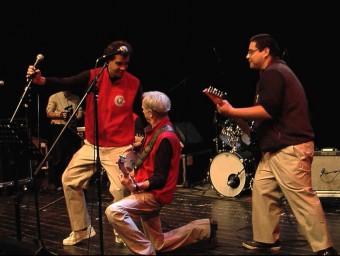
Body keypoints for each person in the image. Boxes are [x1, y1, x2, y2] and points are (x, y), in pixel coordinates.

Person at [215, 34, 337, 255]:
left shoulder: (274, 73)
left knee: (302, 198)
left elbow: (268, 111)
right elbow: (264, 119)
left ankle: (325, 249)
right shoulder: (272, 73)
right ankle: (267, 240)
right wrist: (233, 115)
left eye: (251, 51)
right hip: (275, 151)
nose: (247, 56)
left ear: (266, 51)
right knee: (262, 190)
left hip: (289, 148)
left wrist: (232, 111)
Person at [26, 40, 144, 246]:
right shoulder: (92, 76)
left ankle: (123, 231)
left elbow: (142, 110)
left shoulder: (134, 82)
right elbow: (66, 82)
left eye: (126, 64)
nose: (123, 68)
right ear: (107, 61)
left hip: (119, 147)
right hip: (92, 145)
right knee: (69, 180)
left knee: (120, 190)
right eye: (119, 63)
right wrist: (42, 80)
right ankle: (81, 230)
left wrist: (143, 133)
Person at [105, 91, 218, 255]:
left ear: (150, 113)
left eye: (144, 109)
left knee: (114, 211)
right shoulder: (158, 130)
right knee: (159, 243)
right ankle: (205, 228)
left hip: (153, 194)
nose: (142, 112)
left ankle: (145, 252)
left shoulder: (165, 137)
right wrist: (136, 147)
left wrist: (136, 186)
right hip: (149, 190)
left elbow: (160, 178)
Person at [45, 90, 84, 190]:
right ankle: (55, 182)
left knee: (72, 156)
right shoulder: (54, 96)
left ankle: (71, 181)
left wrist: (75, 116)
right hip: (58, 129)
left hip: (71, 129)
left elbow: (80, 112)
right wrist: (60, 115)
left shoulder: (76, 98)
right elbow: (49, 113)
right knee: (58, 157)